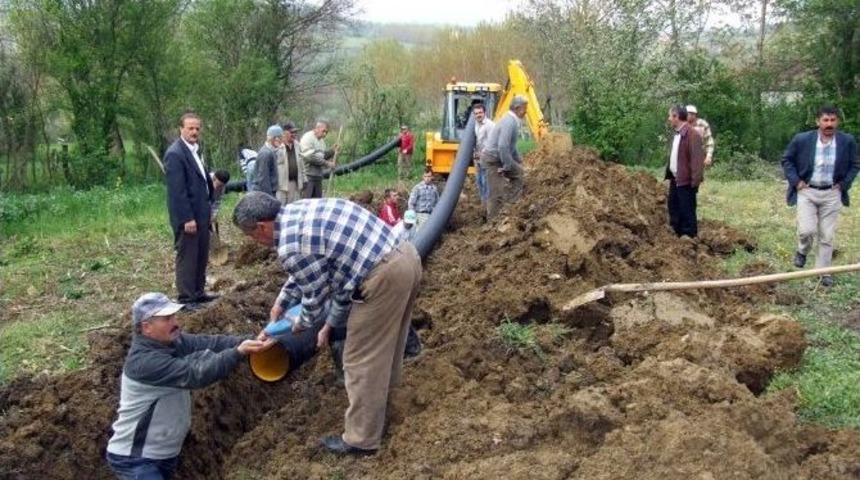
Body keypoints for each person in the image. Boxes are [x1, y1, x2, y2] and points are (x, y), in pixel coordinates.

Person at [232, 193, 422, 455]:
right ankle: (384, 403)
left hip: (383, 276)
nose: (256, 242)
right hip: (406, 256)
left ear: (262, 227)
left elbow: (315, 298)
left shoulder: (290, 246)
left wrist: (297, 326)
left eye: (253, 236)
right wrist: (281, 303)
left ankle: (361, 441)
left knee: (359, 360)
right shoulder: (296, 213)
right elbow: (306, 271)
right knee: (390, 343)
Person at [105, 292, 273, 479]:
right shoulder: (144, 362)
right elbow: (196, 374)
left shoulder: (171, 342)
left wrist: (249, 341)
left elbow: (209, 343)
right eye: (167, 318)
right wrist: (238, 353)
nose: (175, 322)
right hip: (135, 458)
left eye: (174, 316)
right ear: (147, 327)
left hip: (163, 455)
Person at [781, 105, 859, 287]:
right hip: (807, 192)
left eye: (832, 120)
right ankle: (802, 251)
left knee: (827, 235)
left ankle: (823, 272)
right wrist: (797, 182)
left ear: (837, 121)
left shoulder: (847, 141)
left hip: (832, 193)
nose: (829, 124)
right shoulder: (802, 140)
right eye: (825, 120)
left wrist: (843, 184)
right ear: (818, 122)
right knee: (806, 231)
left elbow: (855, 164)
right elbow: (787, 160)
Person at [165, 112, 218, 308]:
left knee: (201, 254)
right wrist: (187, 218)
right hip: (188, 217)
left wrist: (209, 209)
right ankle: (187, 298)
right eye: (190, 128)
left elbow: (202, 183)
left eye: (197, 128)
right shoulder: (175, 154)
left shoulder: (195, 151)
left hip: (201, 213)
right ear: (181, 129)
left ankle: (198, 291)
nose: (194, 132)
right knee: (188, 256)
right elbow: (177, 191)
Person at [481, 95, 527, 219]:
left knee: (519, 173)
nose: (526, 112)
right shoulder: (509, 122)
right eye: (524, 109)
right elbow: (502, 146)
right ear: (517, 108)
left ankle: (510, 207)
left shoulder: (511, 120)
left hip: (497, 158)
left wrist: (519, 160)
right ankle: (493, 222)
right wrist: (507, 166)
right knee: (496, 193)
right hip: (492, 160)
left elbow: (511, 146)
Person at [664, 105, 705, 238]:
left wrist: (694, 183)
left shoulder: (693, 135)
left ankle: (689, 236)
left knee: (687, 210)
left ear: (676, 117)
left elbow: (697, 161)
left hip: (686, 181)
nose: (669, 119)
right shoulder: (677, 134)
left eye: (670, 116)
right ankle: (677, 234)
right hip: (675, 179)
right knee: (674, 207)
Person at [300, 121, 338, 198]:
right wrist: (327, 163)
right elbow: (310, 157)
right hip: (308, 177)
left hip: (318, 177)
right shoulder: (308, 138)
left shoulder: (322, 142)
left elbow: (322, 157)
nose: (325, 134)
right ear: (317, 128)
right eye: (323, 131)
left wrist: (332, 151)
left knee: (317, 203)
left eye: (326, 132)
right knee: (307, 202)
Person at [276, 121, 306, 204]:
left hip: (294, 183)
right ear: (284, 133)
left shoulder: (298, 145)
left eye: (295, 132)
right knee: (280, 209)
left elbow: (301, 164)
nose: (294, 134)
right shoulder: (278, 146)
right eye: (292, 132)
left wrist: (304, 180)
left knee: (292, 208)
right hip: (281, 185)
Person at [253, 125, 284, 198]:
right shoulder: (266, 153)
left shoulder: (272, 151)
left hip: (269, 193)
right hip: (264, 194)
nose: (282, 141)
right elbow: (263, 179)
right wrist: (269, 199)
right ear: (274, 138)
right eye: (280, 138)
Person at [473, 103, 495, 206]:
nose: (478, 115)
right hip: (479, 159)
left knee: (485, 181)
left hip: (488, 157)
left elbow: (492, 142)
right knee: (479, 181)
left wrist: (483, 153)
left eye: (480, 112)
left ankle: (487, 203)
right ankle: (483, 202)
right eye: (476, 113)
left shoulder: (490, 125)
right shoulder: (476, 125)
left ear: (484, 112)